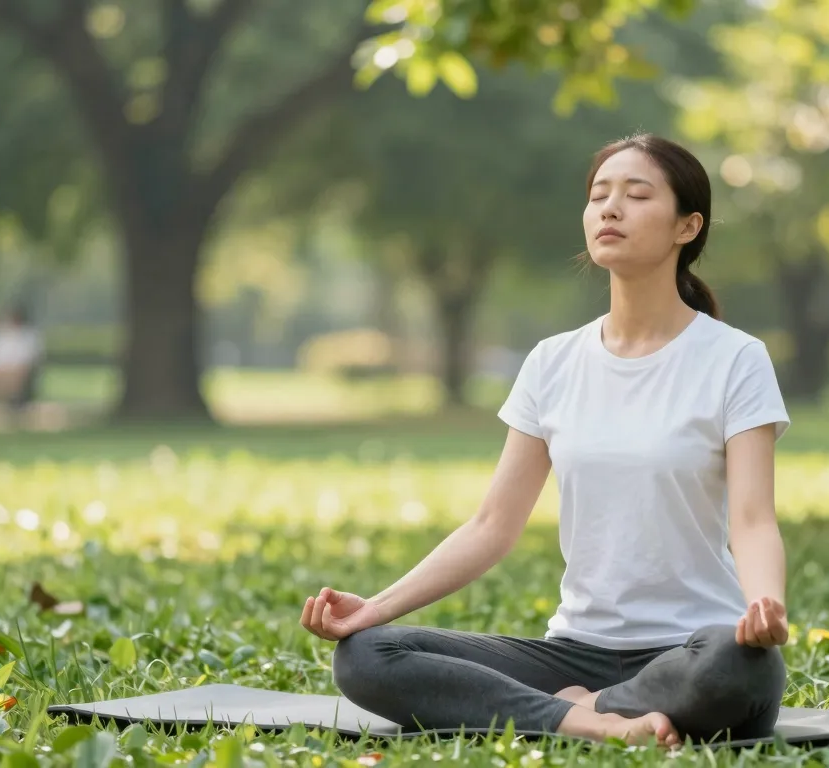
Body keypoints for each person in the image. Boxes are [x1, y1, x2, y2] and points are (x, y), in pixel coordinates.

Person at [300, 134, 792, 747]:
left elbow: (751, 520)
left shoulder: (735, 359)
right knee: (367, 655)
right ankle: (589, 722)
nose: (610, 209)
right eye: (598, 196)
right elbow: (490, 527)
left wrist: (765, 605)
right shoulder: (552, 362)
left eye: (637, 196)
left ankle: (579, 711)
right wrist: (375, 608)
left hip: (693, 647)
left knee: (738, 666)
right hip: (571, 654)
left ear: (686, 227)